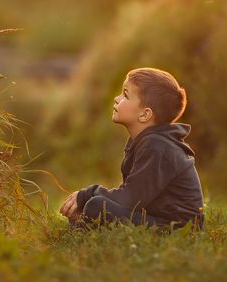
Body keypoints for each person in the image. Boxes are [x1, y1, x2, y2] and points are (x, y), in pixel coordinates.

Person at [59, 67, 204, 230]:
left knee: (97, 206)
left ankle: (82, 231)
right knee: (96, 206)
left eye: (125, 95)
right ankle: (82, 229)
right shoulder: (147, 142)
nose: (116, 98)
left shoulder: (157, 147)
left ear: (144, 114)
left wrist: (88, 194)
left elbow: (130, 200)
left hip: (178, 228)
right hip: (158, 218)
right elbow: (135, 198)